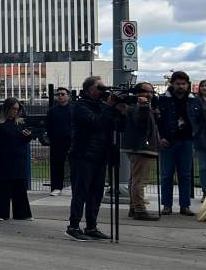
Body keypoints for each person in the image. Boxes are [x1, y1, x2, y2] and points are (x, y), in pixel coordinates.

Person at [67, 75, 126, 240]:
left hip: (101, 155)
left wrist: (120, 112)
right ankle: (73, 226)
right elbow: (96, 123)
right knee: (81, 192)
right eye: (100, 88)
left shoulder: (102, 106)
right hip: (83, 154)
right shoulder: (80, 106)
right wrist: (109, 106)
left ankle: (91, 226)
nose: (103, 91)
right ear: (90, 90)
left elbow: (119, 127)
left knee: (96, 194)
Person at [156, 70, 204, 216]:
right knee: (166, 175)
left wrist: (195, 135)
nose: (181, 86)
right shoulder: (163, 99)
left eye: (183, 83)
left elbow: (201, 121)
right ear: (172, 84)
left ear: (187, 84)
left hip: (187, 141)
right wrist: (160, 137)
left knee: (185, 175)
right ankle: (167, 205)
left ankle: (185, 205)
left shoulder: (194, 100)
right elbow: (157, 121)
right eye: (178, 83)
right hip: (167, 141)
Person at [0, 97, 34, 221]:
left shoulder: (20, 123)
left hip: (18, 157)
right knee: (4, 186)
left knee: (19, 186)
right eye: (13, 108)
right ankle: (2, 213)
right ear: (7, 108)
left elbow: (24, 140)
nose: (15, 111)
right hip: (4, 158)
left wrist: (28, 136)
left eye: (17, 109)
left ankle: (22, 214)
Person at [122, 82, 160, 222]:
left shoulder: (145, 106)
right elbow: (141, 122)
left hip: (140, 146)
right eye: (145, 91)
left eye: (151, 92)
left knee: (134, 179)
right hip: (141, 147)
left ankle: (134, 207)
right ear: (138, 93)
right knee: (140, 180)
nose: (149, 95)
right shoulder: (135, 107)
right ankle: (139, 209)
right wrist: (144, 106)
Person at [46, 88, 73, 195]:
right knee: (57, 165)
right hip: (57, 142)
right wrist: (52, 138)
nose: (60, 96)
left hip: (72, 141)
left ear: (68, 96)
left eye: (62, 94)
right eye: (58, 94)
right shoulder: (52, 111)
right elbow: (49, 127)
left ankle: (76, 187)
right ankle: (56, 188)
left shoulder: (74, 109)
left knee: (75, 165)